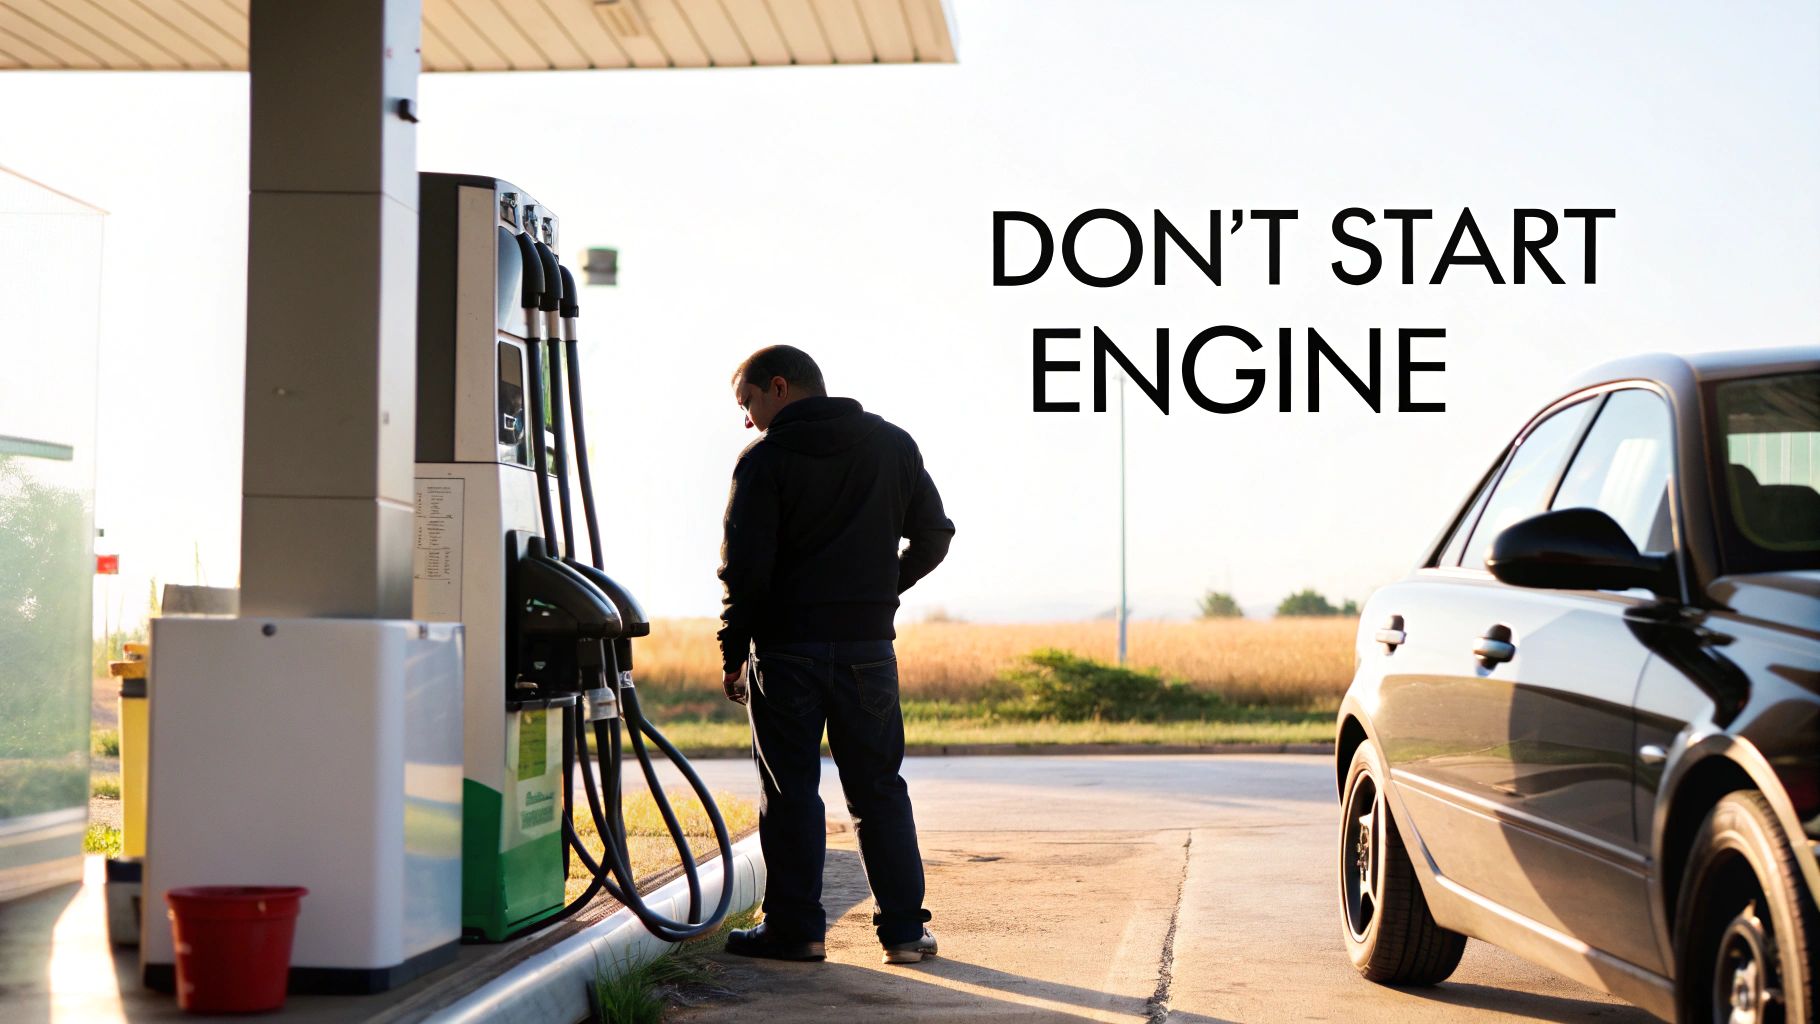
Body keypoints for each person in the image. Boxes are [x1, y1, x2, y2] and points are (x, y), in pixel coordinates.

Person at [716, 345, 955, 965]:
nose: (747, 418)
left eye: (747, 402)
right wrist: (876, 593)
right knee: (879, 790)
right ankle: (904, 933)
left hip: (786, 652)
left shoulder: (764, 461)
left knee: (791, 792)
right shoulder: (892, 445)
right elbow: (934, 535)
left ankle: (797, 931)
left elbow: (745, 571)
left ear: (779, 387)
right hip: (868, 651)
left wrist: (732, 649)